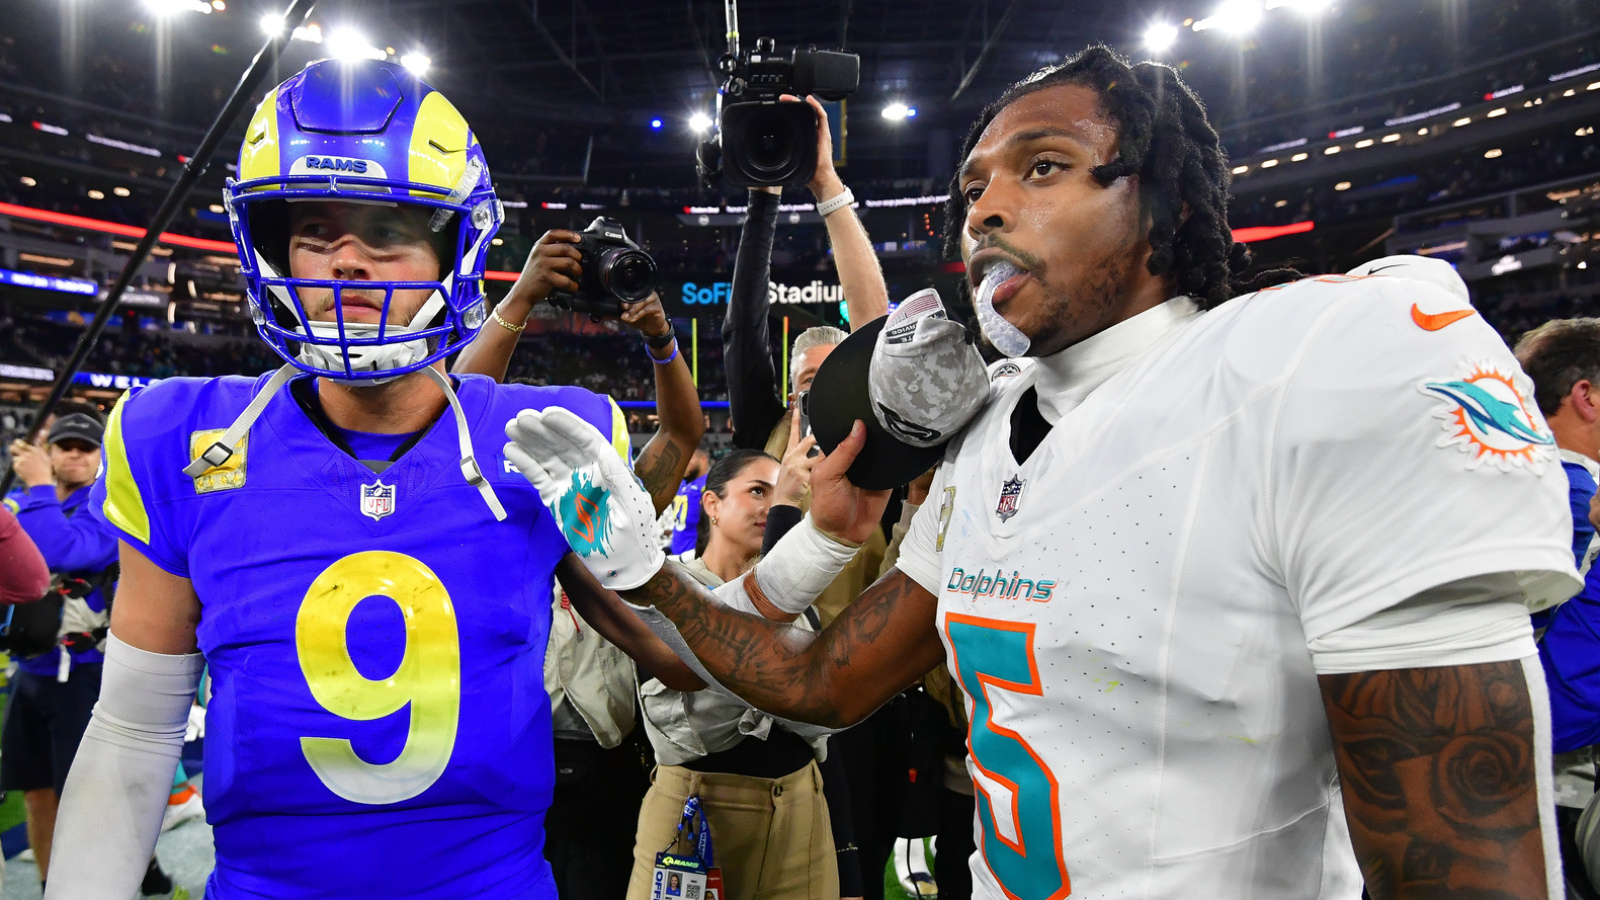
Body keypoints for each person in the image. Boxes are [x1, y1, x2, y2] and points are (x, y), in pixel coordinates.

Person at [512, 45, 1580, 899]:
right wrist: (649, 574)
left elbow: (1460, 863)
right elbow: (822, 682)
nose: (983, 209)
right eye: (973, 185)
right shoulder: (991, 430)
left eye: (1043, 167)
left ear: (1163, 200)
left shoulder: (1312, 363)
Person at [40, 58, 688, 900]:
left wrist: (659, 575)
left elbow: (664, 649)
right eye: (314, 229)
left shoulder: (546, 439)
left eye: (386, 229)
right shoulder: (182, 439)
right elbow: (134, 728)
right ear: (270, 245)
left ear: (452, 247)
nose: (345, 260)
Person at [451, 228, 707, 900]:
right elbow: (456, 422)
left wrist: (662, 340)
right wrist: (522, 297)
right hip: (508, 757)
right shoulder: (484, 517)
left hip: (608, 760)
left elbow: (682, 433)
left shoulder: (606, 519)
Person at [1513, 318, 1600, 897]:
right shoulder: (1571, 496)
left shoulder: (1527, 481)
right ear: (1585, 396)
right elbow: (1557, 701)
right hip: (1562, 796)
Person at [670, 447, 710, 557]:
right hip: (675, 555)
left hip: (694, 558)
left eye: (688, 458)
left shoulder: (708, 487)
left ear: (703, 459)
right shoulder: (681, 484)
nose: (683, 463)